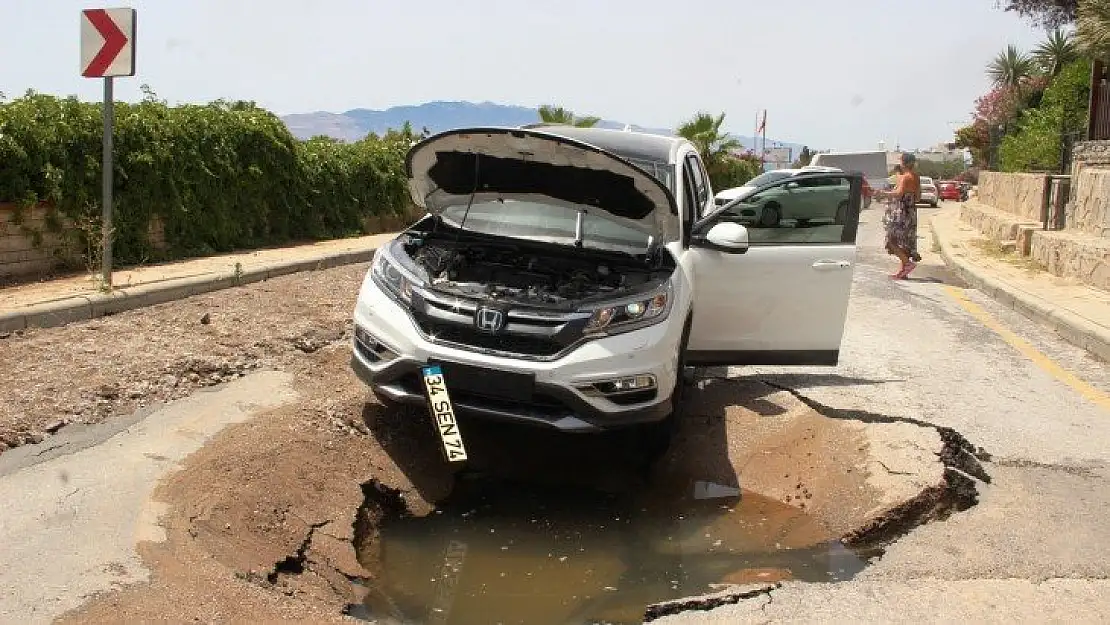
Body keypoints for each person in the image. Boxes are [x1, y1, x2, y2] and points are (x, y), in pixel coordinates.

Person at [874, 153, 921, 279]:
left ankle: (907, 264)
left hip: (902, 212)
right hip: (911, 212)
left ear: (903, 163)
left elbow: (899, 194)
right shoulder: (916, 177)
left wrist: (883, 193)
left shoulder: (906, 177)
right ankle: (903, 272)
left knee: (891, 240)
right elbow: (918, 197)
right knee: (904, 242)